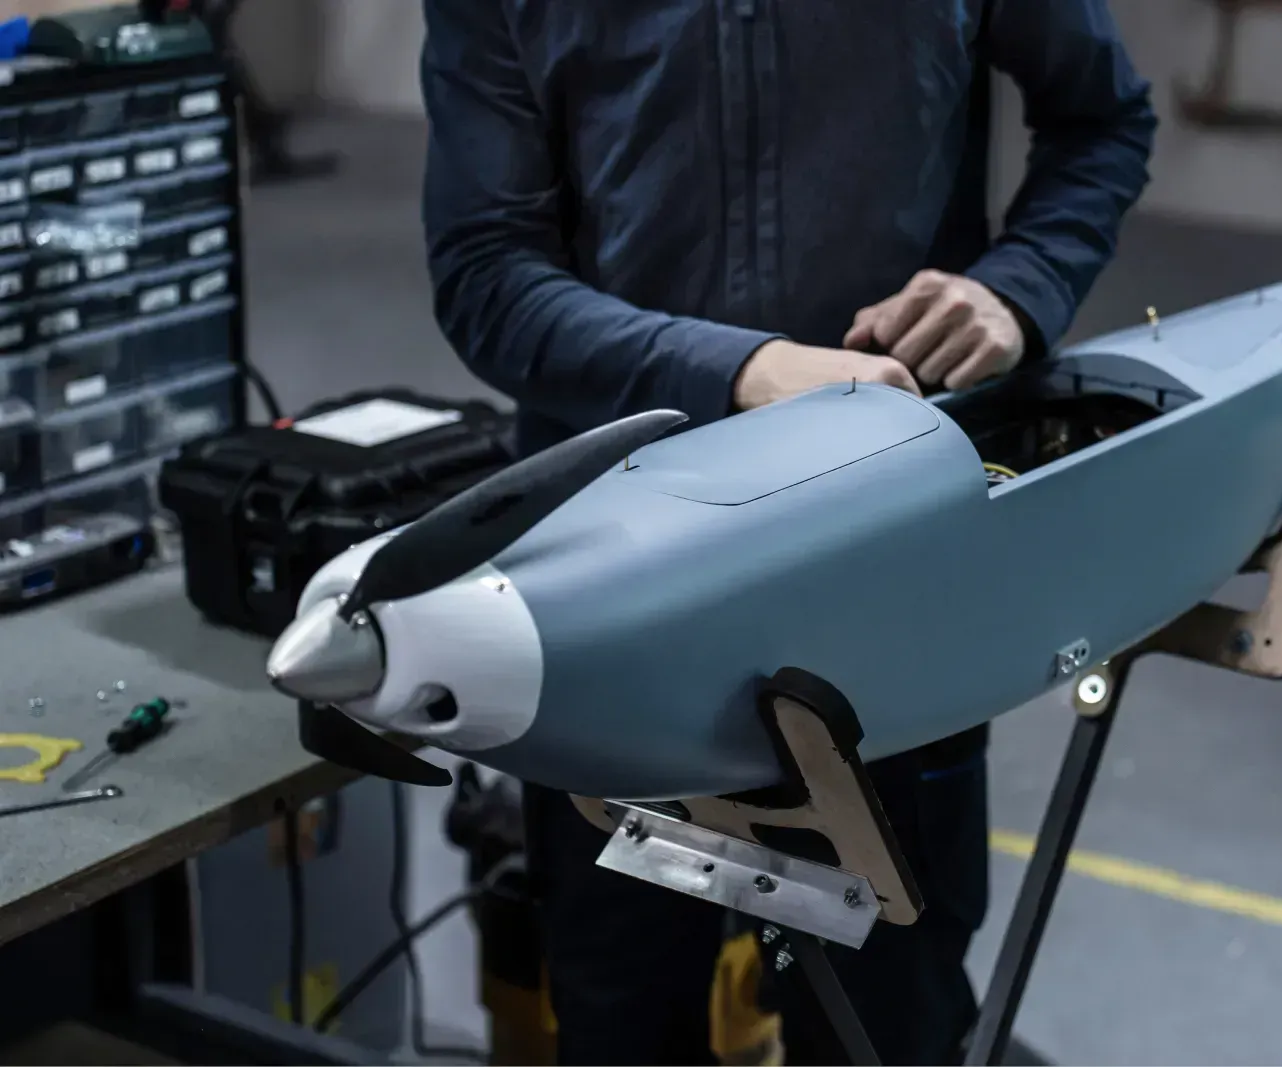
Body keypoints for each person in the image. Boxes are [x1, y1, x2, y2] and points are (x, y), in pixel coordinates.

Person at [420, 1, 1155, 1062]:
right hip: (621, 584)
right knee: (623, 1005)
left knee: (884, 1012)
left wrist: (1016, 291)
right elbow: (487, 273)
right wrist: (741, 371)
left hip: (887, 567)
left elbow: (1104, 119)